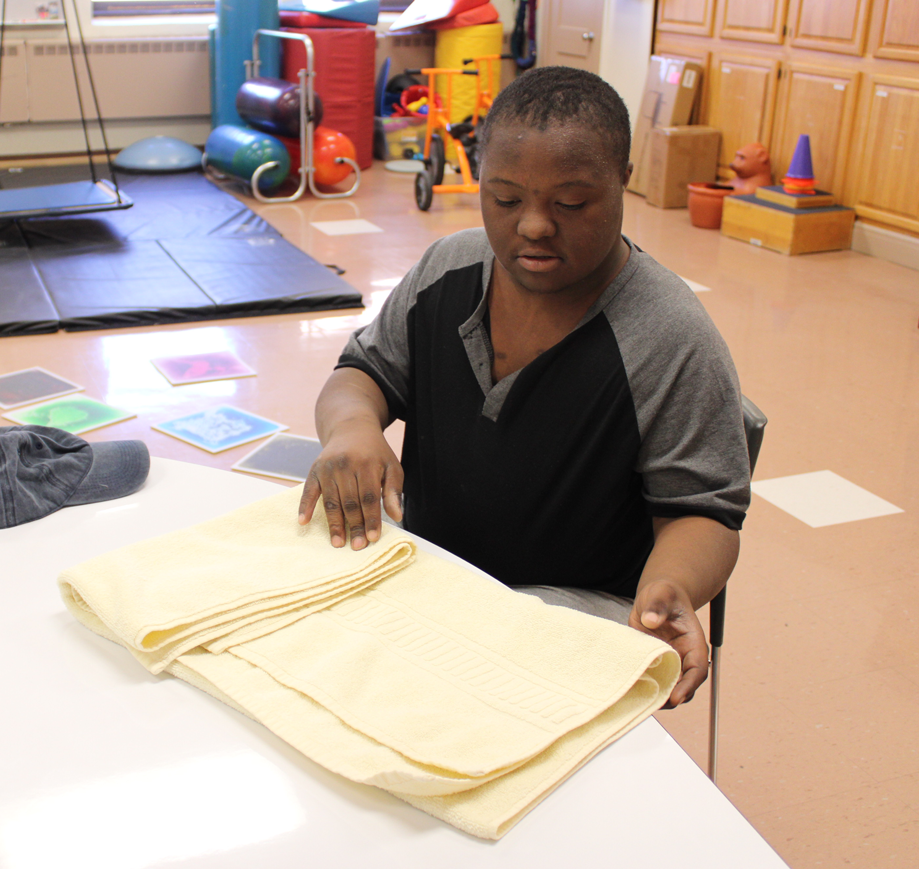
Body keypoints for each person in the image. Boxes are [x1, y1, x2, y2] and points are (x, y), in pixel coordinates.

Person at [298, 66, 751, 707]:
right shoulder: (447, 269)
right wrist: (353, 427)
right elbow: (361, 374)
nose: (534, 225)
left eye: (570, 204)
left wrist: (671, 584)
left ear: (623, 182)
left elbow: (703, 511)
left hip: (574, 612)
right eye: (506, 200)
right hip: (431, 580)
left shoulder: (670, 337)